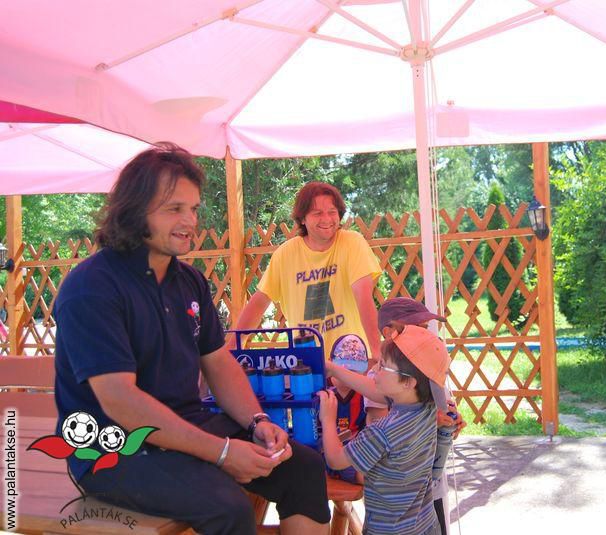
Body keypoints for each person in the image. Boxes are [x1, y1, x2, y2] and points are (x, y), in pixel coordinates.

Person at [53, 144, 329, 535]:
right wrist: (222, 453)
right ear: (134, 210)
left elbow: (218, 363)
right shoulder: (91, 287)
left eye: (194, 208)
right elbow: (120, 401)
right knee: (227, 506)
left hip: (187, 427)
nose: (190, 221)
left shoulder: (189, 282)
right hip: (112, 448)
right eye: (174, 209)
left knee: (303, 468)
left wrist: (257, 422)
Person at [319, 325, 452, 535]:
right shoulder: (427, 407)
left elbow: (335, 460)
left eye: (382, 366)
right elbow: (375, 389)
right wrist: (334, 369)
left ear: (408, 382)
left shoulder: (382, 432)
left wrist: (327, 419)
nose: (374, 371)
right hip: (426, 525)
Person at [234, 181, 382, 362]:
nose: (326, 219)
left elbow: (364, 297)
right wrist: (233, 346)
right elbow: (259, 302)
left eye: (332, 212)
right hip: (306, 364)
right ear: (302, 218)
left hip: (353, 361)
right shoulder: (285, 254)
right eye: (317, 213)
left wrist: (376, 351)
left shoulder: (352, 243)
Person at [374, 297, 465, 534]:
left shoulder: (427, 368)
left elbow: (441, 409)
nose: (425, 334)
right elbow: (378, 432)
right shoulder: (382, 379)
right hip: (401, 504)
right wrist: (428, 421)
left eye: (426, 328)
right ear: (389, 333)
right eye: (417, 328)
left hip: (431, 488)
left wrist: (451, 422)